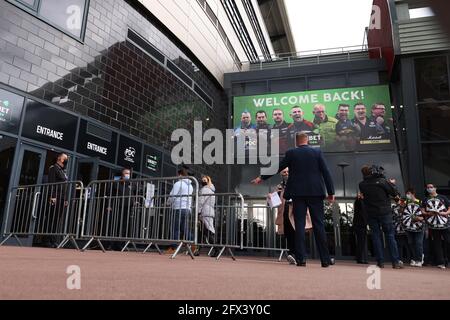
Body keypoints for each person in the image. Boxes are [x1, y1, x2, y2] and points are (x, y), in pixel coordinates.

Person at [252, 132, 335, 268]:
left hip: (297, 194)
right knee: (319, 225)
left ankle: (301, 259)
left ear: (296, 142)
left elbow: (277, 167)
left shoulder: (291, 153)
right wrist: (331, 192)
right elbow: (326, 172)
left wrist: (261, 177)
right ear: (307, 140)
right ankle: (325, 260)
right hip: (315, 192)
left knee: (299, 226)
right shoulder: (317, 152)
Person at [359, 165, 403, 269]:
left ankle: (380, 262)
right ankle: (395, 262)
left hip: (371, 213)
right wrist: (392, 184)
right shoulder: (382, 181)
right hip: (385, 212)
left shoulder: (362, 184)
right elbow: (394, 193)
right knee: (390, 236)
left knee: (376, 237)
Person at [422, 183, 450, 269]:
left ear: (435, 188)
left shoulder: (443, 197)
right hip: (433, 225)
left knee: (448, 241)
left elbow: (449, 208)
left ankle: (448, 260)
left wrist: (444, 213)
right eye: (428, 187)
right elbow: (422, 211)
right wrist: (428, 213)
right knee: (437, 244)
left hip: (445, 224)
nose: (429, 189)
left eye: (431, 187)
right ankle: (441, 262)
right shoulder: (425, 199)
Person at [167, 167, 194, 254]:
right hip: (187, 209)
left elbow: (172, 195)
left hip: (178, 208)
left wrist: (167, 203)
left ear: (180, 174)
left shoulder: (178, 183)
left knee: (175, 228)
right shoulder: (191, 185)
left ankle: (173, 248)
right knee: (184, 228)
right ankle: (193, 243)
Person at [46, 153, 69, 247]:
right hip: (55, 197)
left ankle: (53, 240)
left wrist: (65, 199)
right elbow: (51, 183)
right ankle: (48, 240)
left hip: (61, 198)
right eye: (65, 158)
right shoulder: (53, 168)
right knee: (52, 218)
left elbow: (64, 187)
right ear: (60, 159)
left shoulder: (62, 171)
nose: (66, 159)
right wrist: (52, 196)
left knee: (57, 220)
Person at [195, 175, 218, 257]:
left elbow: (201, 202)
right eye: (202, 180)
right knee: (202, 232)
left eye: (204, 180)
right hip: (209, 212)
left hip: (205, 212)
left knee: (207, 232)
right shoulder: (212, 191)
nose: (203, 181)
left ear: (208, 181)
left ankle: (216, 249)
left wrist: (198, 212)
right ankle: (198, 250)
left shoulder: (205, 190)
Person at [403, 188, 425, 267]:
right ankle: (414, 258)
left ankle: (419, 259)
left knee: (418, 243)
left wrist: (420, 218)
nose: (407, 195)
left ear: (413, 194)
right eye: (406, 194)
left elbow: (424, 214)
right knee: (411, 243)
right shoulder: (406, 202)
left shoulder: (419, 202)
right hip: (409, 226)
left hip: (419, 226)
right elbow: (403, 212)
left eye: (408, 193)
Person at [392, 197, 411, 264]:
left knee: (409, 244)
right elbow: (393, 217)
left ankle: (411, 259)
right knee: (399, 245)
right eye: (400, 201)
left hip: (408, 228)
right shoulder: (394, 208)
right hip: (398, 228)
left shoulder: (408, 207)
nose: (401, 202)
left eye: (403, 201)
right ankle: (400, 259)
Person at [353, 193, 369, 264]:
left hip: (362, 225)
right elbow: (358, 203)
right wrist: (358, 197)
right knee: (361, 242)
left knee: (362, 242)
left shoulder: (363, 203)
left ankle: (361, 258)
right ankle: (359, 258)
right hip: (360, 225)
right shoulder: (359, 202)